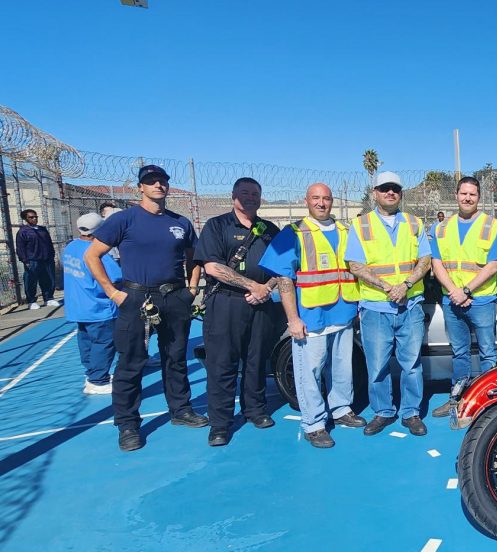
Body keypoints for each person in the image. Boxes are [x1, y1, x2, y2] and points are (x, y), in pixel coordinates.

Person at [85, 165, 205, 452]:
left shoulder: (180, 222)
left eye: (162, 181)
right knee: (132, 362)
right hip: (136, 298)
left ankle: (180, 410)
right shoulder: (124, 220)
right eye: (151, 182)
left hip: (174, 297)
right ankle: (127, 424)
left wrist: (191, 290)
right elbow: (93, 255)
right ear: (141, 187)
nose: (158, 185)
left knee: (175, 357)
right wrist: (113, 293)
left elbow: (194, 258)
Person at [261, 183, 365, 448]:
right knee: (310, 371)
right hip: (311, 317)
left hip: (343, 313)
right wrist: (293, 319)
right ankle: (314, 423)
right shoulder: (294, 233)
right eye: (316, 198)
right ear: (306, 201)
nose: (321, 203)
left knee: (342, 369)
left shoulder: (345, 231)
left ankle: (341, 409)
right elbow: (283, 277)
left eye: (326, 198)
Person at [195, 178, 282, 446]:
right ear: (233, 196)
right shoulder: (217, 226)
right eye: (244, 193)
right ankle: (220, 423)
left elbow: (281, 268)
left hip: (261, 302)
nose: (250, 197)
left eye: (255, 193)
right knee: (222, 364)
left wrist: (265, 289)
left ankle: (255, 410)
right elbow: (212, 267)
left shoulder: (269, 229)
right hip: (226, 303)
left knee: (256, 360)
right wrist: (252, 286)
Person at [346, 171, 432, 437]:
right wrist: (387, 288)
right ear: (375, 193)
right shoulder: (360, 225)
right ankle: (383, 412)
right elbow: (355, 265)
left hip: (410, 306)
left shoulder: (414, 223)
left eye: (395, 188)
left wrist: (405, 286)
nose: (390, 192)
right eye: (384, 188)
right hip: (375, 308)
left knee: (411, 363)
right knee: (378, 365)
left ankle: (411, 412)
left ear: (401, 193)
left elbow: (425, 260)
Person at [429, 177, 497, 417]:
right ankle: (458, 399)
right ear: (456, 195)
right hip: (452, 300)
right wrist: (455, 292)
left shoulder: (492, 226)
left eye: (472, 194)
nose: (467, 198)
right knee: (460, 353)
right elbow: (437, 264)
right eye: (463, 193)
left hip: (481, 301)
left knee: (488, 353)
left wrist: (466, 291)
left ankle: (490, 401)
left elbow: (494, 265)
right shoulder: (440, 228)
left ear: (479, 197)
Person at [63, 213, 121, 394]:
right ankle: (98, 380)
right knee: (104, 341)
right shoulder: (98, 253)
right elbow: (116, 277)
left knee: (86, 340)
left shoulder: (71, 246)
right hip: (98, 306)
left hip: (78, 306)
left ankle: (91, 373)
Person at [16, 209, 59, 309]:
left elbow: (49, 243)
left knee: (48, 279)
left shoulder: (42, 229)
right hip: (32, 260)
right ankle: (31, 301)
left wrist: (51, 255)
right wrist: (25, 260)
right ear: (26, 219)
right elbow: (20, 247)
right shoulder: (23, 231)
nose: (34, 218)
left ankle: (48, 298)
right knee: (31, 280)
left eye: (35, 216)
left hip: (46, 259)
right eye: (31, 217)